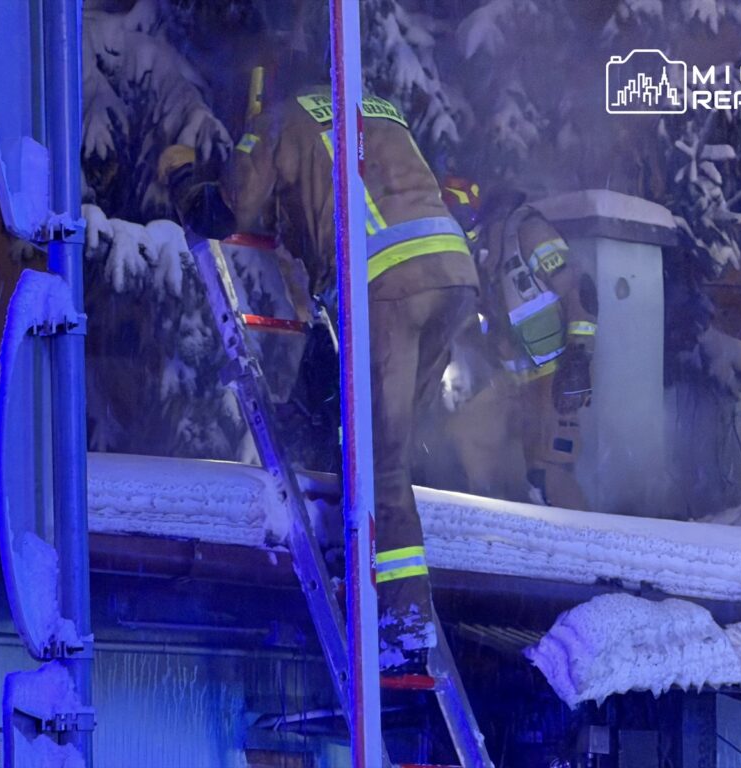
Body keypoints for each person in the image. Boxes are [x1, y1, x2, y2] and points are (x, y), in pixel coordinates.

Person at [158, 85, 480, 670]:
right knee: (385, 434)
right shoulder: (371, 105)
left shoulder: (276, 120)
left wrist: (183, 179)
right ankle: (378, 563)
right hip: (452, 277)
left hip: (386, 287)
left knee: (381, 460)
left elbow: (228, 210)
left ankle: (405, 619)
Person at [441, 176, 597, 510]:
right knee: (466, 434)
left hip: (556, 374)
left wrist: (579, 359)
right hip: (515, 381)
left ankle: (587, 546)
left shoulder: (527, 233)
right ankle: (491, 522)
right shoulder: (485, 253)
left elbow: (579, 291)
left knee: (549, 471)